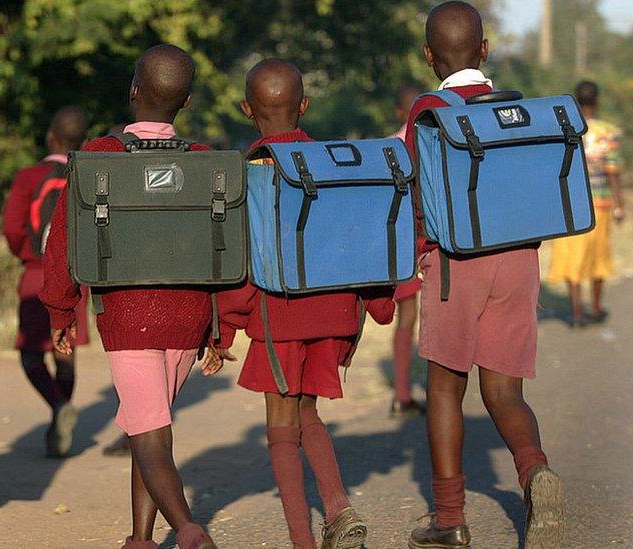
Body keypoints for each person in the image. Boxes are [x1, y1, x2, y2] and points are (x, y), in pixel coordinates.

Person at [204, 58, 395, 549]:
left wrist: (223, 331)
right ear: (304, 106)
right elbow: (358, 240)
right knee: (308, 412)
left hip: (279, 316)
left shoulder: (251, 173)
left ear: (247, 109)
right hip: (335, 314)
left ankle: (302, 540)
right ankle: (338, 508)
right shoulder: (329, 161)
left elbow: (243, 267)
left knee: (282, 428)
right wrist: (376, 306)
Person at [40, 45, 217, 549]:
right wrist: (220, 325)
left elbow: (62, 243)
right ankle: (140, 537)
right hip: (189, 316)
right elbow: (228, 250)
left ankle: (188, 531)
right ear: (185, 102)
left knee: (150, 434)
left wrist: (61, 311)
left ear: (133, 90)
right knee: (152, 427)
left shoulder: (98, 157)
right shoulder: (204, 163)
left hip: (128, 316)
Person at [403, 3, 563, 548]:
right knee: (504, 390)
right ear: (485, 50)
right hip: (519, 259)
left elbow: (416, 192)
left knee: (446, 388)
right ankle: (535, 473)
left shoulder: (429, 112)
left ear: (429, 56)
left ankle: (450, 520)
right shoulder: (511, 109)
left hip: (455, 265)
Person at [2, 106, 90, 457]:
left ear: (50, 137)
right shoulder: (86, 174)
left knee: (30, 354)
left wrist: (26, 253)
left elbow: (11, 227)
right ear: (82, 141)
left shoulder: (28, 177)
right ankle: (60, 419)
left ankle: (57, 407)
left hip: (37, 272)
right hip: (74, 276)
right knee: (64, 352)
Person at [547, 80, 625, 327]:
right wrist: (620, 204)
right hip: (600, 203)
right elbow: (613, 172)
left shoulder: (565, 129)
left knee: (572, 255)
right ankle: (597, 307)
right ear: (597, 101)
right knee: (598, 256)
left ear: (576, 102)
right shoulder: (608, 132)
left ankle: (577, 311)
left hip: (571, 203)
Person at [390, 84, 427, 418]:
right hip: (421, 241)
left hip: (397, 243)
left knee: (407, 318)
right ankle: (409, 391)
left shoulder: (391, 147)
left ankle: (402, 391)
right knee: (421, 317)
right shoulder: (428, 143)